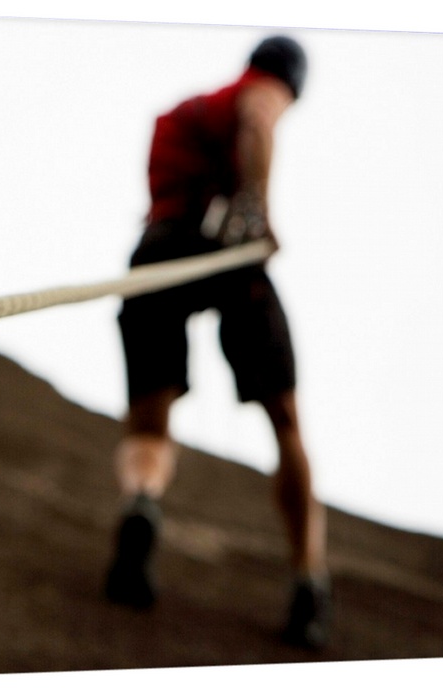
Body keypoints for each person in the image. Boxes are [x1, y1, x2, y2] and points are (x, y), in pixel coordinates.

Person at [103, 36, 332, 650]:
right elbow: (258, 119)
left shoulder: (185, 114)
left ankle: (143, 503)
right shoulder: (261, 92)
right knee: (285, 421)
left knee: (149, 419)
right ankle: (310, 578)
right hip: (232, 254)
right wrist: (257, 208)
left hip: (163, 244)